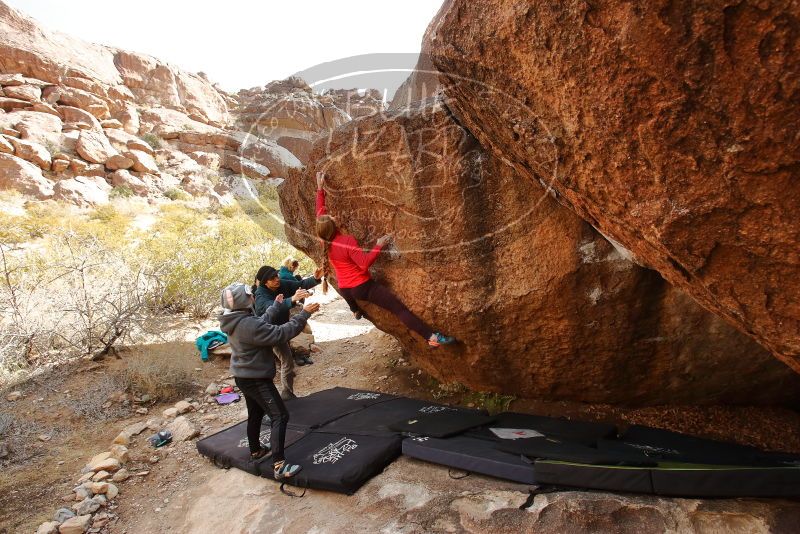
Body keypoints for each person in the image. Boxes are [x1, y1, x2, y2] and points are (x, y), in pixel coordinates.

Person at [314, 171, 455, 348]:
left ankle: (355, 310)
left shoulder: (324, 240)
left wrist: (320, 189)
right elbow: (364, 264)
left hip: (346, 290)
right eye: (333, 219)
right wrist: (379, 245)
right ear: (333, 227)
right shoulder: (346, 241)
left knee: (353, 300)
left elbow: (320, 214)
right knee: (399, 310)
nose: (334, 217)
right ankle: (431, 337)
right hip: (361, 288)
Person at [218, 282, 320, 480]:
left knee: (255, 414)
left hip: (244, 376)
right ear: (243, 300)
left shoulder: (236, 319)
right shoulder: (247, 323)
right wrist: (304, 314)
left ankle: (256, 450)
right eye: (250, 295)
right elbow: (279, 333)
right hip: (256, 378)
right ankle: (279, 466)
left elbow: (260, 323)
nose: (254, 297)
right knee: (280, 416)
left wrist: (276, 306)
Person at [254, 266, 321, 398]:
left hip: (282, 330)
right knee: (286, 361)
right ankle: (285, 393)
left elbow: (300, 284)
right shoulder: (260, 295)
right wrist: (292, 299)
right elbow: (271, 307)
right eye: (272, 278)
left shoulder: (281, 284)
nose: (277, 279)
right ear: (265, 282)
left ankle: (285, 391)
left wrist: (315, 278)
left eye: (277, 276)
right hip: (269, 333)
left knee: (285, 360)